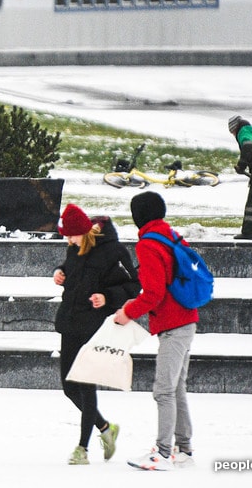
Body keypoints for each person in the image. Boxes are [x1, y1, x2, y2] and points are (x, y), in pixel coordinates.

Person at [113, 191, 198, 471]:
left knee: (163, 391)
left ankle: (163, 453)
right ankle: (183, 449)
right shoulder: (170, 236)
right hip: (186, 318)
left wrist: (127, 313)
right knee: (176, 388)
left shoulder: (149, 245)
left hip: (174, 324)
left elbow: (153, 293)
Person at [53, 203, 140, 465]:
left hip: (94, 326)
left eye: (71, 235)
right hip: (70, 323)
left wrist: (107, 297)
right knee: (69, 387)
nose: (69, 240)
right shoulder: (74, 248)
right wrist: (60, 272)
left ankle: (82, 449)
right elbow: (72, 270)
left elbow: (133, 284)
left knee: (86, 384)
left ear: (85, 232)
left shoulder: (114, 251)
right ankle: (105, 428)